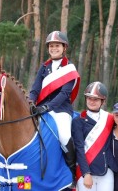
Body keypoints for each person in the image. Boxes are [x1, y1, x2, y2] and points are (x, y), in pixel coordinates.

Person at [29, 31, 80, 188]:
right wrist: (30, 100)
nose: (54, 48)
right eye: (51, 46)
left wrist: (47, 107)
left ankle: (72, 173)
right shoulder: (44, 68)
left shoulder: (69, 69)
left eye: (57, 45)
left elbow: (65, 94)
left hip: (61, 110)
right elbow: (36, 88)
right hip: (41, 108)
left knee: (64, 136)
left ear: (64, 48)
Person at [71, 81, 118, 191]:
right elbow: (79, 148)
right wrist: (86, 173)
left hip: (106, 169)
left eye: (96, 99)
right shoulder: (78, 121)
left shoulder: (109, 118)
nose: (92, 101)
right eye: (89, 98)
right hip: (86, 170)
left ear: (102, 101)